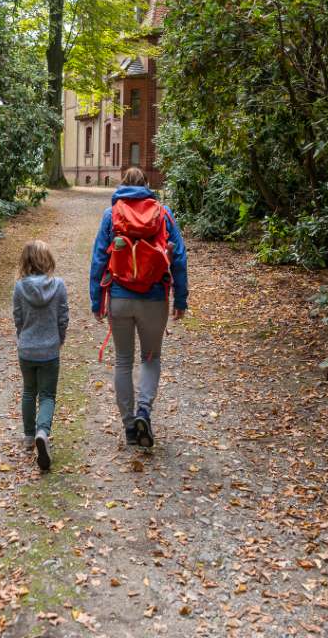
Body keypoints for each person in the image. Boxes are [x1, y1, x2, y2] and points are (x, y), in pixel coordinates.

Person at [89, 167, 188, 448]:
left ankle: (130, 427)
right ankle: (144, 410)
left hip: (120, 297)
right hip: (154, 298)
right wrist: (181, 299)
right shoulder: (163, 213)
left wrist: (97, 301)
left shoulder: (111, 215)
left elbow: (98, 260)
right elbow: (179, 258)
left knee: (122, 360)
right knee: (150, 358)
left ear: (122, 185)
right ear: (147, 185)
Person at [13, 240, 69, 471]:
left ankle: (28, 436)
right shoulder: (59, 285)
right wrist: (59, 339)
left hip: (27, 349)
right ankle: (42, 432)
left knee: (29, 391)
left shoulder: (19, 287)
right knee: (47, 395)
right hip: (49, 350)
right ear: (48, 260)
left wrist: (22, 337)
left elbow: (17, 316)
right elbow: (63, 317)